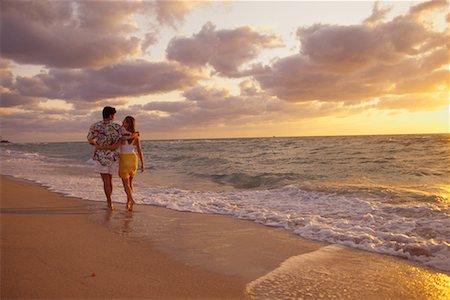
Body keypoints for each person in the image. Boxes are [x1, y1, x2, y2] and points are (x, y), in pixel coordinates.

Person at [95, 116, 144, 211]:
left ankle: (131, 199)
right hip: (134, 159)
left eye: (124, 121)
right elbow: (139, 150)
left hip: (125, 159)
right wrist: (142, 163)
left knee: (125, 183)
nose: (122, 122)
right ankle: (128, 203)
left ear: (128, 123)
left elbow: (114, 147)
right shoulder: (135, 136)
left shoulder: (121, 136)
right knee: (130, 182)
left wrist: (100, 148)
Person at [87, 106, 130, 210]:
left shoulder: (95, 126)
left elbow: (89, 140)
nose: (114, 117)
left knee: (105, 181)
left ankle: (109, 203)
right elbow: (127, 136)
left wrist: (97, 144)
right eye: (114, 115)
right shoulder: (117, 126)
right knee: (109, 180)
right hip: (112, 156)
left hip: (100, 155)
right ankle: (110, 202)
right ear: (111, 115)